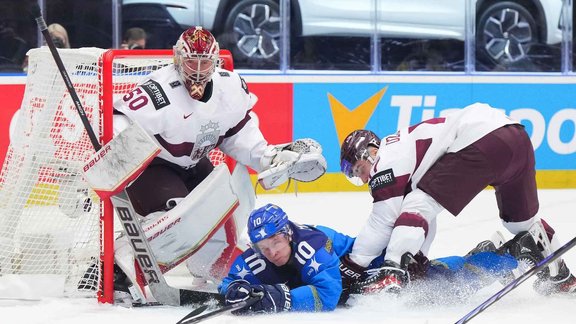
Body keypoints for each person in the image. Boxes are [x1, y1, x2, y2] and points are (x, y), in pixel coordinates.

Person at [110, 26, 326, 304]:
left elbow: (239, 135)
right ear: (177, 59)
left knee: (223, 214)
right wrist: (112, 160)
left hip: (194, 162)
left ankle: (209, 266)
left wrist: (266, 157)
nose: (198, 69)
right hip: (153, 167)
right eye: (191, 61)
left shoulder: (230, 86)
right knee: (180, 217)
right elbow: (119, 126)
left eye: (205, 61)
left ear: (215, 62)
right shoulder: (157, 91)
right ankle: (119, 264)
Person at [337, 102, 576, 296]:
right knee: (522, 224)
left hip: (483, 140)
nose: (364, 178)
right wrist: (418, 255)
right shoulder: (401, 149)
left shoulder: (386, 160)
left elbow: (383, 222)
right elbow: (419, 221)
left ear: (371, 150)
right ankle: (562, 276)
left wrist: (352, 264)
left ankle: (392, 273)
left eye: (359, 169)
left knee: (419, 203)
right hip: (517, 137)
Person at [218, 203, 543, 313]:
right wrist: (233, 290)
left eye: (276, 240)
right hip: (355, 281)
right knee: (440, 278)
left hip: (374, 269)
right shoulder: (261, 252)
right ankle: (484, 255)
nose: (271, 250)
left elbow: (327, 295)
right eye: (263, 246)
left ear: (287, 233)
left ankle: (513, 253)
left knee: (443, 286)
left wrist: (277, 299)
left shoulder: (311, 244)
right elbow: (232, 279)